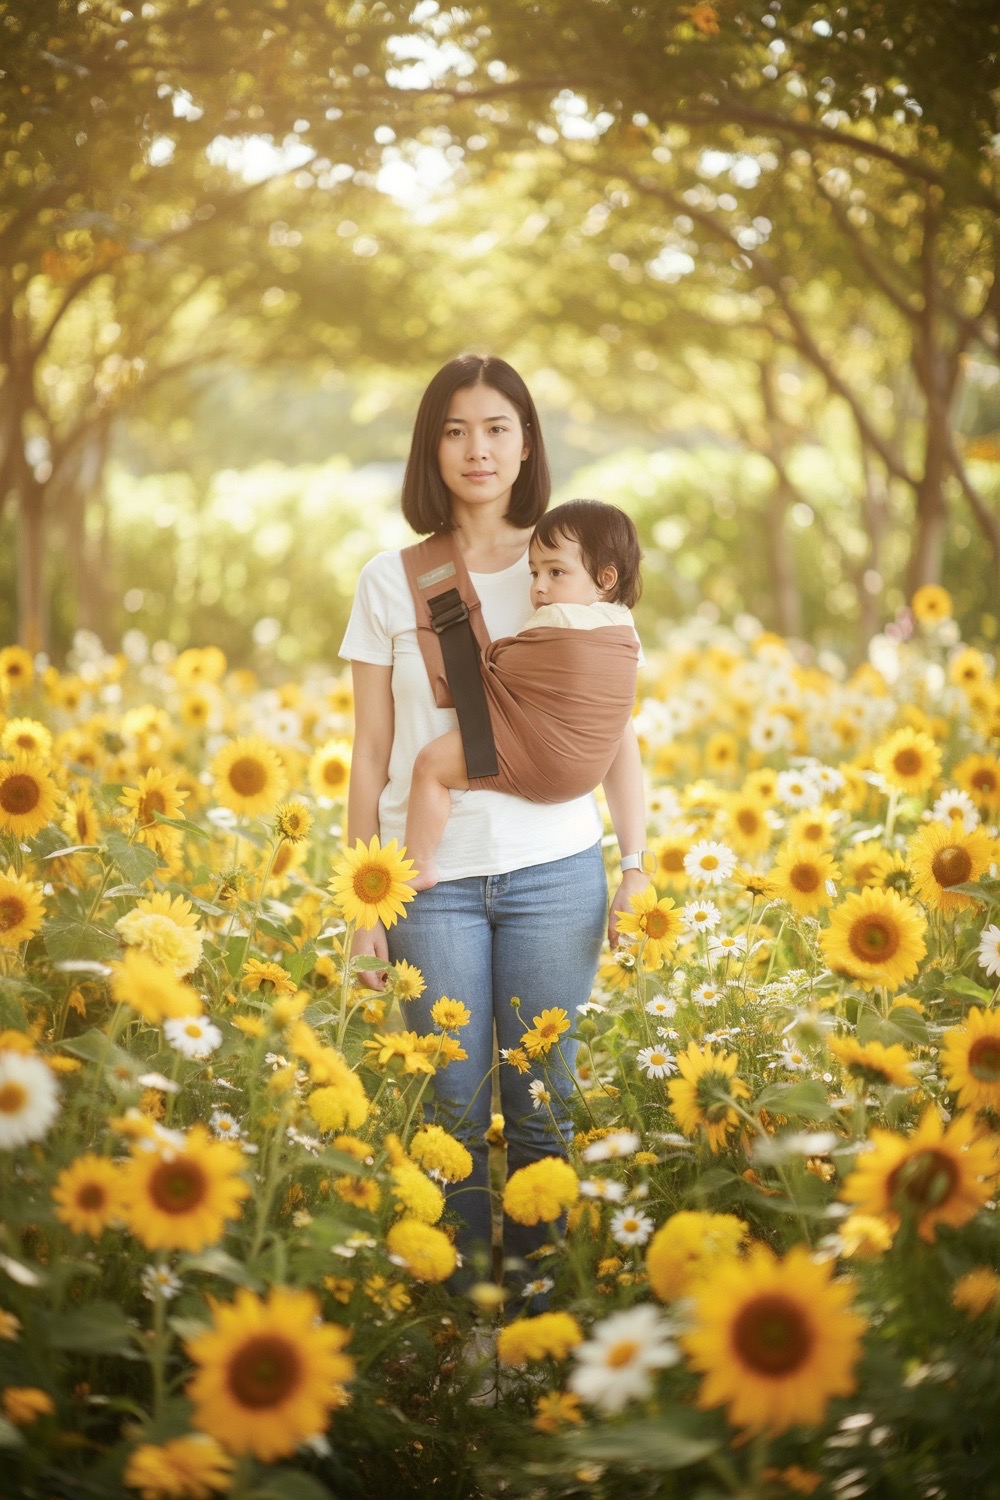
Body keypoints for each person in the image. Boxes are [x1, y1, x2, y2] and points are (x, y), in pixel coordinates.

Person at [339, 353, 648, 1295]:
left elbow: (616, 735)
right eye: (456, 429)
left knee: (545, 1110)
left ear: (527, 443)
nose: (478, 449)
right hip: (429, 886)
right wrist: (361, 899)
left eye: (498, 428)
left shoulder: (571, 560)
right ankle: (463, 1322)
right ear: (432, 447)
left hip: (555, 873)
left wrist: (636, 865)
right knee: (452, 1115)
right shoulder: (391, 581)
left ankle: (540, 1314)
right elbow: (369, 753)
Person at [403, 499, 643, 890]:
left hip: (539, 753)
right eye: (534, 573)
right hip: (583, 777)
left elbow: (503, 666)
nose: (539, 587)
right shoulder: (623, 629)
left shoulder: (558, 618)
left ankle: (419, 862)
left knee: (430, 766)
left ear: (606, 578)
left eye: (556, 572)